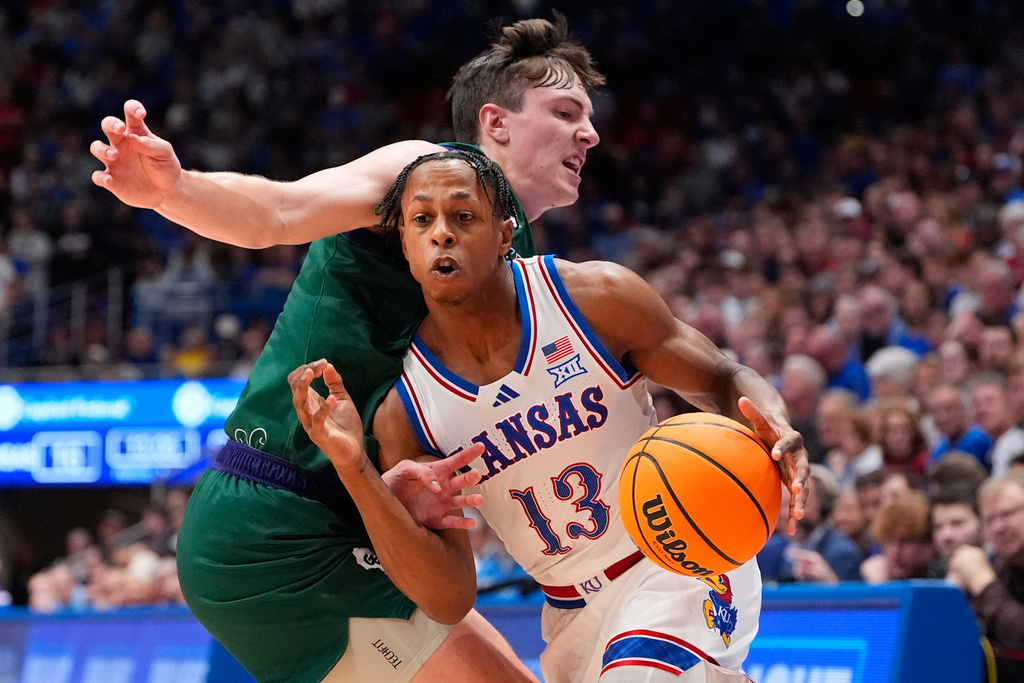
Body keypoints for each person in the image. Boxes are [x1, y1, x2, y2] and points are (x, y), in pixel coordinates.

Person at [91, 16, 609, 683]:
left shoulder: (523, 271)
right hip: (276, 522)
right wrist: (175, 190)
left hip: (353, 519)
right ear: (497, 123)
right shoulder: (422, 175)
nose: (590, 133)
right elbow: (277, 211)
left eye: (589, 119)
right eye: (566, 112)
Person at [300, 149, 808, 682]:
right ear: (404, 242)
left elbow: (723, 378)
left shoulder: (591, 299)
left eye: (463, 216)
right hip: (569, 612)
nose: (441, 234)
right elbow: (448, 600)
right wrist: (356, 470)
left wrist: (775, 420)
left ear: (504, 233)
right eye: (422, 220)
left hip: (679, 560)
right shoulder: (406, 411)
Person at [947, 473, 1024, 653]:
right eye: (990, 520)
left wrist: (984, 583)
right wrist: (955, 596)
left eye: (1007, 514)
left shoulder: (986, 575)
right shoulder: (1003, 567)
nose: (998, 528)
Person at [929, 482, 983, 578]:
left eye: (957, 523)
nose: (947, 536)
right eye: (938, 527)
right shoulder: (931, 577)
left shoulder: (1004, 573)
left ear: (983, 523)